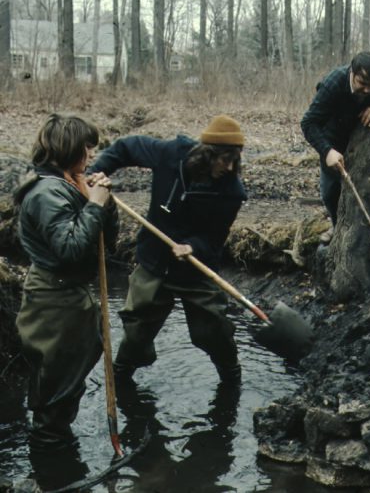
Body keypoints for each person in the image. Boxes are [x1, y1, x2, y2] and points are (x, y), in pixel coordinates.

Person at [88, 115, 247, 384]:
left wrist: (193, 246)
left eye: (234, 160)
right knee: (137, 329)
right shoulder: (171, 154)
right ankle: (121, 376)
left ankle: (232, 378)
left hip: (195, 270)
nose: (229, 167)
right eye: (224, 159)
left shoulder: (232, 191)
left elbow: (216, 239)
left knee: (213, 330)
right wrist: (98, 170)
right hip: (154, 261)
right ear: (208, 154)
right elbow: (126, 148)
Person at [14, 113, 118, 449]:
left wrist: (105, 204)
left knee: (68, 381)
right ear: (67, 149)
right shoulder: (46, 193)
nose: (91, 156)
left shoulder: (69, 185)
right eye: (86, 149)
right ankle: (51, 458)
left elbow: (106, 245)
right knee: (56, 384)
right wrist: (94, 207)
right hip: (54, 303)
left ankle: (57, 442)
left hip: (69, 297)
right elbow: (71, 250)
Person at [301, 51, 370, 242]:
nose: (368, 90)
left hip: (366, 139)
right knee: (330, 193)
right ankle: (338, 228)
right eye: (363, 84)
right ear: (352, 73)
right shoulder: (333, 84)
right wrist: (327, 151)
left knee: (363, 190)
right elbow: (309, 123)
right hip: (334, 139)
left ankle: (362, 234)